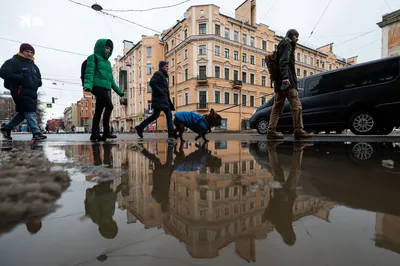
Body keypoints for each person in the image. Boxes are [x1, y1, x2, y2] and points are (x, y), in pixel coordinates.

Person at [267, 29, 313, 140]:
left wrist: (282, 79)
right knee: (297, 106)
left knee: (277, 107)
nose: (297, 38)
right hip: (287, 83)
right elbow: (284, 62)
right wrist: (286, 78)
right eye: (296, 36)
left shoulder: (282, 45)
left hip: (279, 83)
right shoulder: (287, 44)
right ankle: (298, 130)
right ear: (291, 36)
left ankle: (271, 131)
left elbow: (281, 62)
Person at [0, 43, 47, 141]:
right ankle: (36, 132)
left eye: (31, 52)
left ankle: (7, 128)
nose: (30, 54)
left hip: (32, 92)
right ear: (21, 51)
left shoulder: (34, 66)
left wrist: (37, 83)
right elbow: (2, 72)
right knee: (29, 110)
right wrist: (20, 78)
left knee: (23, 112)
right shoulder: (13, 62)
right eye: (27, 51)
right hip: (19, 91)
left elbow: (39, 79)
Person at [83, 39, 124, 141]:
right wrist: (87, 85)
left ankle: (94, 134)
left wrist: (119, 91)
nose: (108, 51)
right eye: (106, 48)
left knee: (98, 111)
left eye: (109, 49)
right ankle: (106, 132)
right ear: (101, 47)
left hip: (105, 89)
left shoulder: (108, 63)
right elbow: (89, 72)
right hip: (97, 87)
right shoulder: (93, 58)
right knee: (109, 106)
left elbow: (111, 80)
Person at [135, 61, 175, 139]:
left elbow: (165, 91)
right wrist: (160, 92)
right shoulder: (158, 73)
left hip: (164, 100)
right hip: (159, 100)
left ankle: (140, 127)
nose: (168, 67)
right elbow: (152, 83)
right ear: (162, 66)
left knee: (157, 115)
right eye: (166, 66)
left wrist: (168, 99)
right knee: (165, 115)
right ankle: (171, 134)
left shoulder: (164, 76)